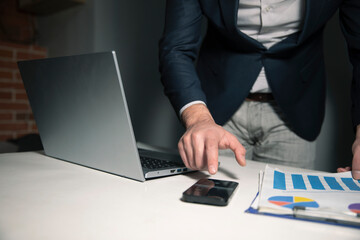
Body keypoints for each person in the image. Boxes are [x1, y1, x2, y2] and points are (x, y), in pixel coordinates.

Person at [159, 0, 360, 179]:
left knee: (285, 216)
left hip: (295, 109)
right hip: (215, 111)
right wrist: (198, 119)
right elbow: (177, 49)